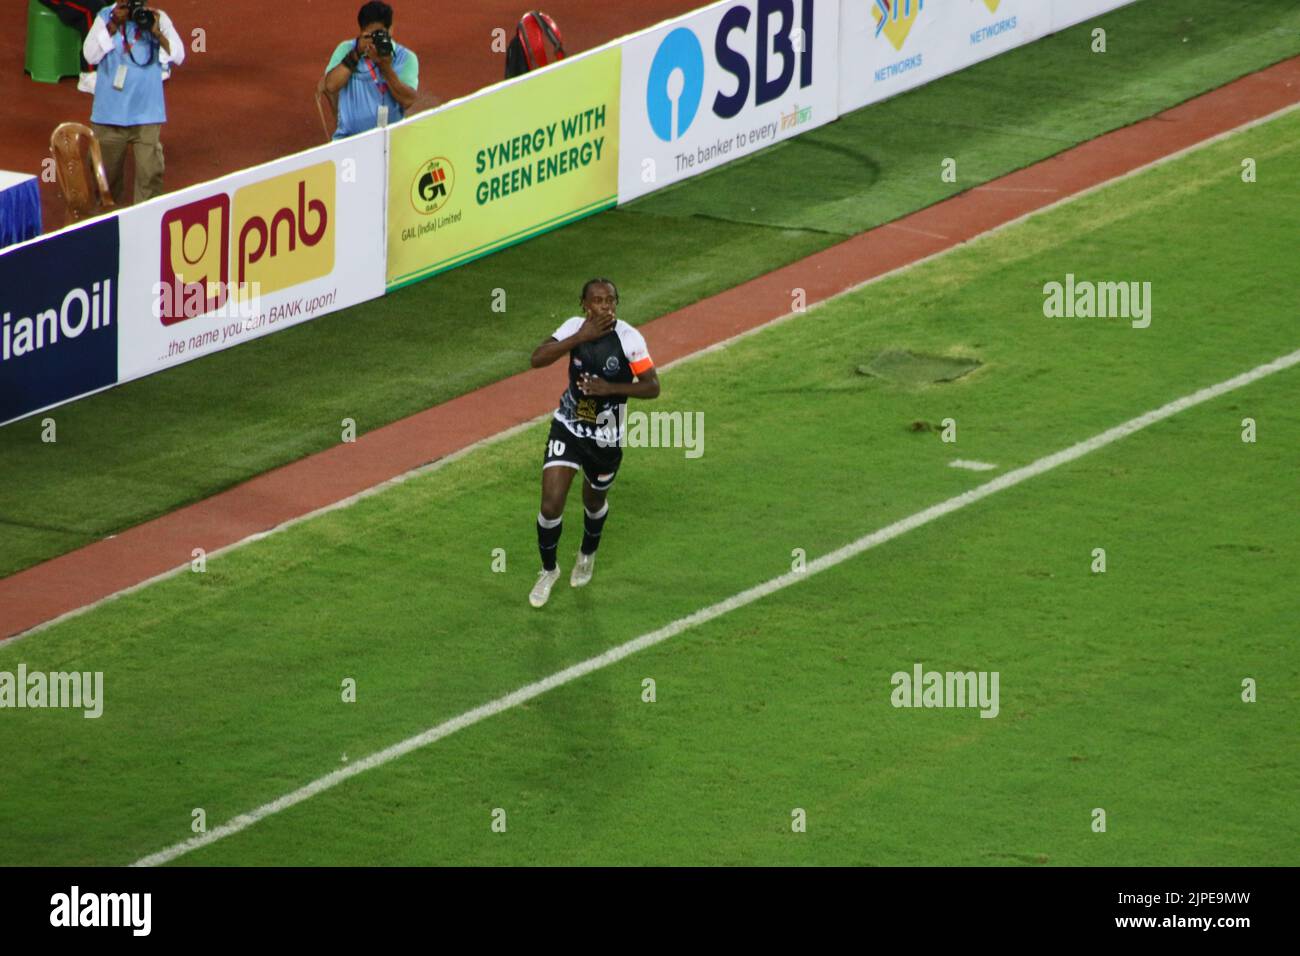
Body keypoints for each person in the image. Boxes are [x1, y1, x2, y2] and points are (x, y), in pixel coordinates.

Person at [527, 279, 661, 608]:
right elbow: (537, 359)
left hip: (606, 435)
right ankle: (548, 570)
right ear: (584, 305)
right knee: (550, 504)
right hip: (569, 426)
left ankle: (587, 551)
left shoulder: (629, 339)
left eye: (611, 300)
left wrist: (609, 388)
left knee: (593, 501)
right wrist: (579, 338)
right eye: (598, 301)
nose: (606, 307)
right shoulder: (574, 328)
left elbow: (652, 387)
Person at [82, 1, 184, 205]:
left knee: (150, 181)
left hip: (147, 115)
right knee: (105, 187)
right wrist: (112, 25)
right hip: (109, 116)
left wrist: (156, 33)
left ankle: (146, 231)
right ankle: (106, 232)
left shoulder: (157, 18)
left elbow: (179, 56)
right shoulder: (105, 17)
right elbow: (89, 55)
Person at [323, 2, 419, 140]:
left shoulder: (406, 58)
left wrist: (385, 67)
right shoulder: (346, 49)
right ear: (362, 32)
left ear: (390, 29)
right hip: (349, 140)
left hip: (391, 140)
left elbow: (408, 100)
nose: (376, 40)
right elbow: (331, 86)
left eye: (380, 34)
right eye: (371, 35)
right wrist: (355, 54)